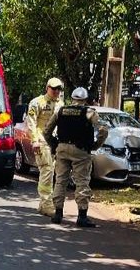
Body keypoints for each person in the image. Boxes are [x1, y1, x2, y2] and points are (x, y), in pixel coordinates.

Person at [44, 87, 108, 227]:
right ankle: (82, 216)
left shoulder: (60, 111)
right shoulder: (89, 112)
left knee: (60, 180)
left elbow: (47, 131)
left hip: (62, 149)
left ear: (72, 98)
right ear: (85, 99)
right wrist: (95, 145)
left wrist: (54, 145)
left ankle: (58, 214)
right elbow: (103, 130)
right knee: (82, 182)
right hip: (81, 151)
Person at [25, 77, 65, 217]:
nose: (56, 91)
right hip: (41, 141)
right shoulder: (37, 102)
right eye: (53, 88)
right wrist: (34, 141)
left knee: (52, 171)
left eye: (59, 89)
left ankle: (44, 204)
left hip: (54, 142)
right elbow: (31, 122)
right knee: (47, 170)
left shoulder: (61, 104)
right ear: (47, 88)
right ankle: (47, 204)